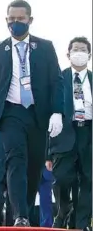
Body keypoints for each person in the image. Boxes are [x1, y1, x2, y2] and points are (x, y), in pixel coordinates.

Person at [0, 0, 64, 227]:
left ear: (30, 20)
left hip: (37, 113)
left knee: (33, 166)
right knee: (16, 159)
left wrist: (57, 112)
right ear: (6, 21)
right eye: (11, 19)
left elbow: (56, 82)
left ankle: (24, 210)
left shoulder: (45, 47)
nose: (16, 23)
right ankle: (20, 215)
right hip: (10, 113)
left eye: (20, 19)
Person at [48, 36, 92, 230]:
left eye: (83, 49)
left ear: (89, 55)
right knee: (62, 179)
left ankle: (81, 224)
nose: (79, 52)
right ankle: (64, 209)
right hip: (64, 134)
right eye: (76, 49)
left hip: (88, 134)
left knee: (88, 181)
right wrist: (47, 150)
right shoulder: (58, 79)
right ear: (68, 54)